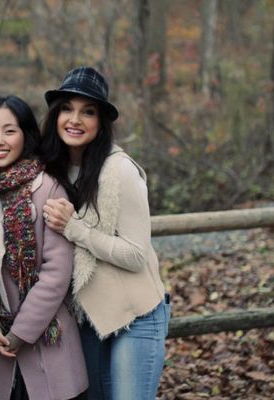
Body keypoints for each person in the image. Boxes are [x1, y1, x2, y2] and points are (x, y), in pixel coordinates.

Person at [40, 67, 171, 400]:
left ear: (101, 123)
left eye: (88, 112)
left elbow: (135, 254)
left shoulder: (120, 171)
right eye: (68, 108)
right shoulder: (49, 169)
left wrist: (75, 229)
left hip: (136, 316)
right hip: (88, 317)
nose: (75, 119)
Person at [0, 95, 88, 400]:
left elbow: (57, 272)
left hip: (48, 343)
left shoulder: (46, 186)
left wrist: (20, 333)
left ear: (26, 135)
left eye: (9, 131)